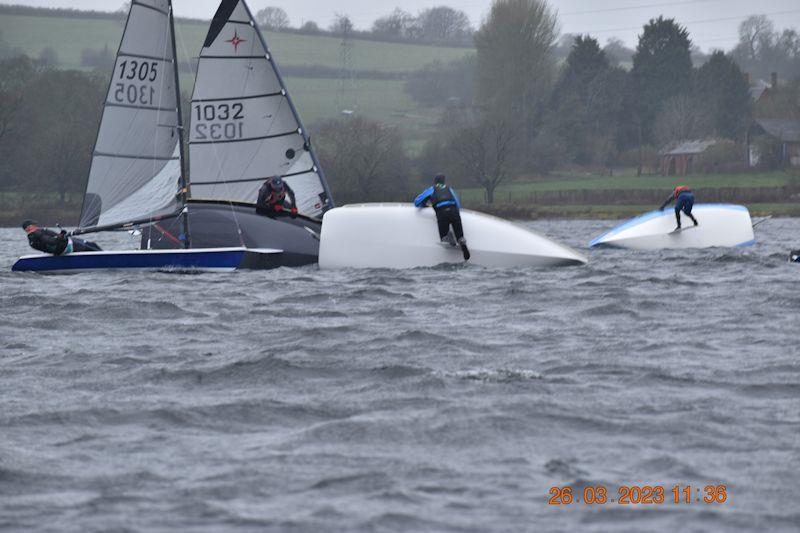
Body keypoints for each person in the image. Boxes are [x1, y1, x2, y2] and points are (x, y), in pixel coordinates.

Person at [415, 174, 470, 260]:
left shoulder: (432, 189)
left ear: (435, 181)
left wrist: (425, 205)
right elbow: (457, 203)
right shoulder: (449, 189)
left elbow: (417, 202)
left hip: (442, 213)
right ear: (444, 181)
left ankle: (448, 236)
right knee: (460, 234)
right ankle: (461, 240)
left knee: (443, 236)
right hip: (454, 212)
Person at [21, 220, 101, 255]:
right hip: (68, 246)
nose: (37, 226)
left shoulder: (32, 239)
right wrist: (61, 236)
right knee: (92, 246)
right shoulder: (37, 235)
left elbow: (52, 241)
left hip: (66, 244)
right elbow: (52, 242)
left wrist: (61, 235)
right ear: (29, 228)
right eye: (35, 225)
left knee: (92, 244)